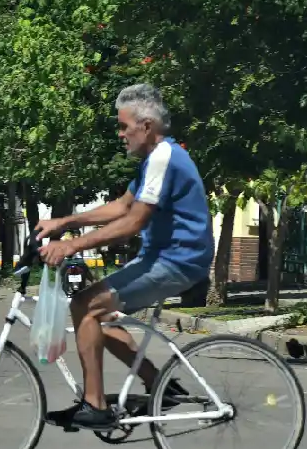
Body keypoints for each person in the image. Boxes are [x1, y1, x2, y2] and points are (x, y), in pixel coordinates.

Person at [33, 83, 215, 430]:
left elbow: (133, 222)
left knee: (86, 305)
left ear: (146, 126)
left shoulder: (164, 158)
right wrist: (64, 221)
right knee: (98, 314)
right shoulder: (156, 159)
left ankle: (96, 405)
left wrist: (71, 245)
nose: (121, 134)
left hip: (177, 261)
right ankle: (162, 385)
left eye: (124, 126)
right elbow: (122, 206)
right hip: (161, 258)